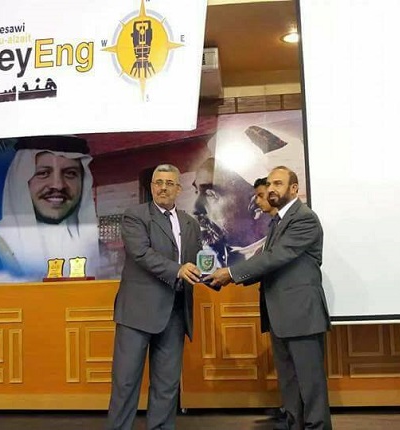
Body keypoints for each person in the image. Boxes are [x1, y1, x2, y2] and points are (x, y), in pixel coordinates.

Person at [204, 166, 332, 430]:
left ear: (294, 189)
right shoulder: (277, 222)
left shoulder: (304, 218)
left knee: (310, 384)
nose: (272, 188)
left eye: (278, 183)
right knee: (289, 383)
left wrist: (231, 273)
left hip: (302, 315)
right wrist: (223, 278)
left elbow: (275, 258)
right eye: (270, 183)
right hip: (280, 316)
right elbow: (265, 263)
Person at [107, 164, 203, 430]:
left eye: (169, 183)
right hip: (137, 313)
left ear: (178, 189)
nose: (163, 188)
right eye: (158, 182)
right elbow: (141, 254)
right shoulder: (135, 216)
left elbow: (196, 262)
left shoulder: (190, 223)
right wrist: (178, 270)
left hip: (175, 312)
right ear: (151, 187)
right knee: (126, 383)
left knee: (167, 385)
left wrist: (212, 275)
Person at [0, 135, 100, 279]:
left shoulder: (96, 246)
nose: (58, 185)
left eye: (70, 173)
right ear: (21, 181)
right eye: (43, 173)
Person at [194, 157, 271, 267]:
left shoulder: (277, 250)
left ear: (255, 206)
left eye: (210, 195)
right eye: (196, 191)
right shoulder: (206, 255)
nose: (196, 208)